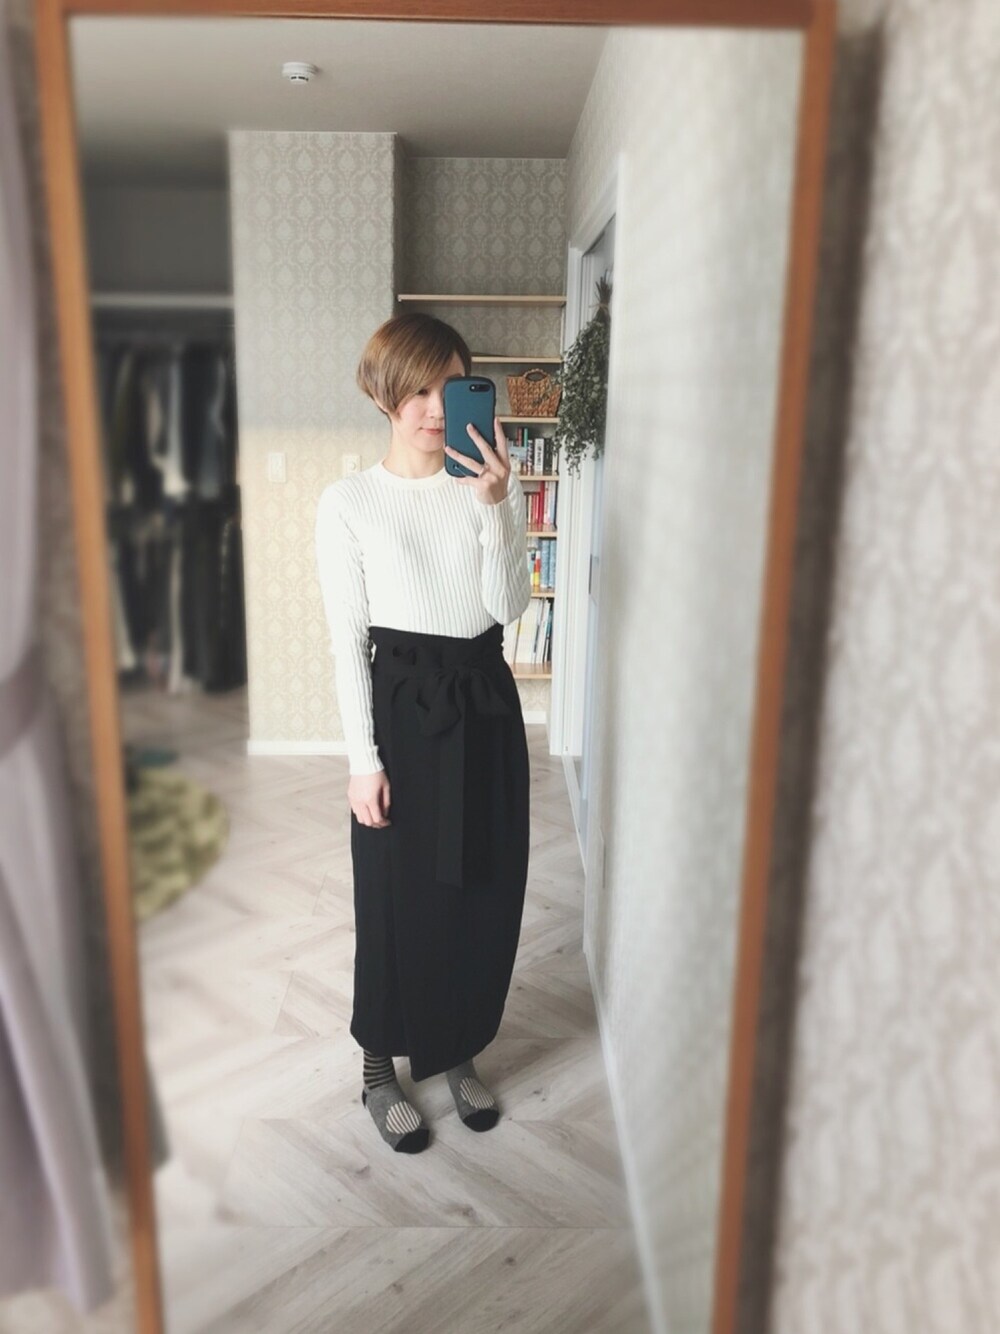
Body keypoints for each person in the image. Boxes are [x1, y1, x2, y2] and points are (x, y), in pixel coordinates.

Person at [315, 312, 532, 1153]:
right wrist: (361, 761)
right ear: (385, 395)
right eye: (419, 390)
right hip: (402, 712)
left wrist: (496, 508)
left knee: (479, 888)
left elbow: (507, 607)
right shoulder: (350, 503)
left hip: (484, 701)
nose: (438, 407)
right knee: (393, 897)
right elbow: (347, 642)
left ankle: (455, 1049)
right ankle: (379, 1066)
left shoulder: (486, 487)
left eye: (452, 386)